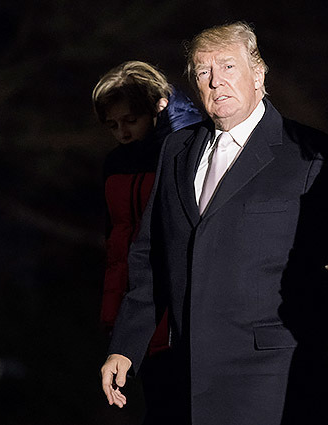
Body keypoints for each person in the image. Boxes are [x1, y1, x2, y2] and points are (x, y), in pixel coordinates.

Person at [99, 22, 328, 425]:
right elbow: (151, 258)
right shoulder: (176, 151)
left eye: (228, 66)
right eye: (203, 71)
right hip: (187, 375)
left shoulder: (311, 153)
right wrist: (125, 346)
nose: (216, 81)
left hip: (275, 379)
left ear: (259, 74)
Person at [92, 60, 202, 424]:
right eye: (112, 124)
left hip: (176, 303)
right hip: (135, 298)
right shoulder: (115, 163)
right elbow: (116, 239)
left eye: (130, 120)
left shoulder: (187, 151)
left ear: (157, 108)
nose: (122, 131)